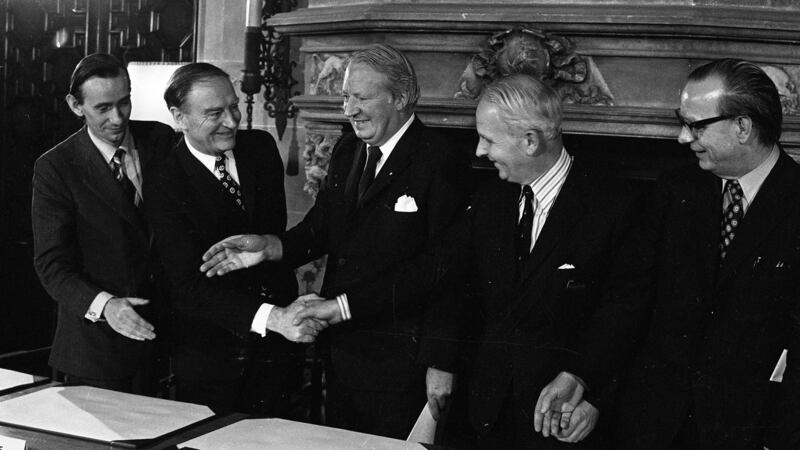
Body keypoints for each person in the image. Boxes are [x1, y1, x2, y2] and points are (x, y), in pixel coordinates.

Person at [199, 44, 469, 438]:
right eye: (345, 96)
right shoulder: (348, 149)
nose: (349, 109)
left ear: (402, 97)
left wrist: (442, 362)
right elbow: (321, 228)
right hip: (342, 352)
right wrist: (270, 246)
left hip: (403, 364)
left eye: (361, 97)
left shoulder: (441, 160)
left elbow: (450, 275)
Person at [535, 58, 800, 449]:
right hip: (653, 425)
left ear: (742, 127)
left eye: (695, 125)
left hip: (751, 432)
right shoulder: (675, 190)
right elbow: (631, 297)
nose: (681, 137)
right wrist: (581, 376)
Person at [432, 73, 638, 449]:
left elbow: (626, 314)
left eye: (488, 139)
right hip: (487, 416)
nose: (479, 151)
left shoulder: (614, 204)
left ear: (530, 141)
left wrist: (589, 389)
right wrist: (440, 359)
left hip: (562, 423)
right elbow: (453, 284)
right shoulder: (490, 198)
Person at [142, 63, 323, 414]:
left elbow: (277, 237)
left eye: (234, 106)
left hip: (280, 348)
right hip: (214, 355)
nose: (231, 120)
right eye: (214, 113)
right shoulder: (164, 179)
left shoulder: (260, 147)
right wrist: (274, 317)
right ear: (179, 117)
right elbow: (187, 286)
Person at [32, 53, 175, 393]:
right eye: (103, 108)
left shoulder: (160, 139)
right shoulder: (56, 167)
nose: (117, 117)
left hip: (169, 342)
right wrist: (106, 306)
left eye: (124, 103)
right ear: (75, 105)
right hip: (97, 351)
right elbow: (51, 265)